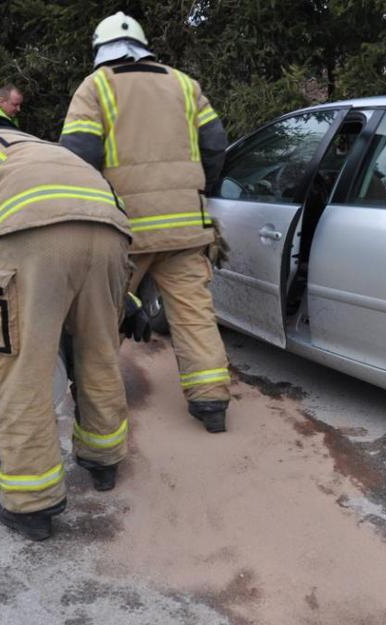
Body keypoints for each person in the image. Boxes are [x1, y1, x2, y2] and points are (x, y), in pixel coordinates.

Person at [0, 112, 136, 541]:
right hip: (112, 238)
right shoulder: (56, 151)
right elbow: (112, 215)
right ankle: (104, 461)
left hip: (31, 239)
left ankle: (31, 505)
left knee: (25, 370)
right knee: (98, 356)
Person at [61, 11, 232, 433]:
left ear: (101, 51)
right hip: (186, 229)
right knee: (194, 315)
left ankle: (94, 407)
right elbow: (216, 144)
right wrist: (199, 190)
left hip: (126, 232)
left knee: (104, 318)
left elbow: (77, 155)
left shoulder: (96, 86)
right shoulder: (183, 84)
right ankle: (212, 406)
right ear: (143, 46)